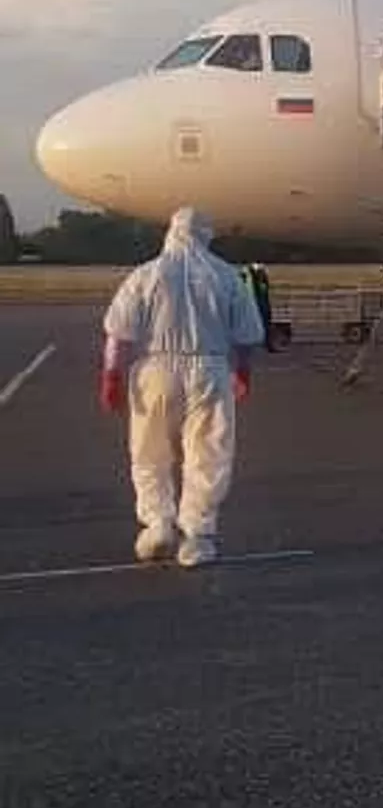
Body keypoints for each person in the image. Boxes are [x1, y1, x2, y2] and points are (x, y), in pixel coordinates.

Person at [98, 206, 265, 568]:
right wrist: (242, 372)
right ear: (206, 236)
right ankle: (198, 537)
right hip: (210, 368)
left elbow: (118, 332)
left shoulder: (146, 275)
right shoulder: (226, 276)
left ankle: (157, 523)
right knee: (208, 453)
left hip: (155, 369)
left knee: (149, 450)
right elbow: (247, 334)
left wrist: (111, 376)